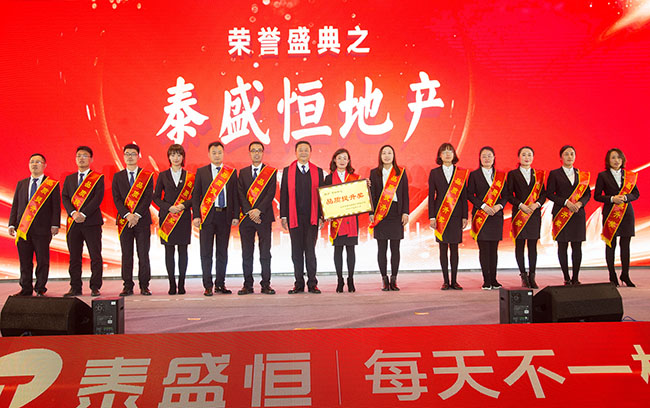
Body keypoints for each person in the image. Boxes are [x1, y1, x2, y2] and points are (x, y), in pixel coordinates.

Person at [8, 153, 60, 296]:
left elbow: (56, 206)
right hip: (23, 229)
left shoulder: (51, 185)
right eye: (32, 162)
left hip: (42, 229)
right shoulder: (22, 183)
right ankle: (26, 288)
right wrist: (12, 224)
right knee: (25, 261)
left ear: (44, 165)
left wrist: (55, 224)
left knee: (42, 260)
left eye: (38, 162)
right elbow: (16, 205)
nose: (34, 164)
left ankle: (40, 288)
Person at [192, 141, 239, 296]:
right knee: (206, 252)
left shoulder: (230, 172)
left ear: (223, 154)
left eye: (219, 152)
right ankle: (207, 285)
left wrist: (235, 215)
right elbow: (196, 196)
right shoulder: (202, 172)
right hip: (207, 216)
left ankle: (220, 284)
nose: (217, 155)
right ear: (209, 154)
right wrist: (196, 215)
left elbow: (235, 195)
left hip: (224, 216)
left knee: (222, 252)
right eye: (214, 153)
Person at [280, 141, 325, 294]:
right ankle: (298, 283)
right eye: (301, 150)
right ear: (296, 152)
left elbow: (322, 195)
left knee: (310, 251)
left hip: (312, 217)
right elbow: (283, 194)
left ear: (310, 152)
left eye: (306, 150)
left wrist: (321, 215)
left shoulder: (318, 171)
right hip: (294, 217)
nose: (303, 152)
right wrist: (284, 216)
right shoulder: (288, 171)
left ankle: (312, 283)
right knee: (296, 252)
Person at [61, 146, 105, 297]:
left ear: (91, 159)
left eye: (85, 156)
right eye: (78, 156)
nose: (81, 158)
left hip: (92, 222)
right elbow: (65, 197)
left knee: (95, 255)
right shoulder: (69, 179)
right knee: (74, 256)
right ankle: (75, 287)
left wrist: (84, 213)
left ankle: (95, 286)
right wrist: (73, 213)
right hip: (74, 223)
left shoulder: (97, 178)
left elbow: (97, 198)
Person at [112, 143, 154, 296]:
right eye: (127, 154)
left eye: (133, 154)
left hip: (142, 221)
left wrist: (136, 215)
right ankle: (127, 285)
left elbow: (148, 197)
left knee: (143, 254)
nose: (130, 157)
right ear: (123, 156)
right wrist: (127, 215)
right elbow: (116, 198)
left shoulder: (146, 176)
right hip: (124, 222)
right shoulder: (118, 176)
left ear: (138, 156)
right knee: (126, 254)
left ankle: (144, 285)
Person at [594, 148, 639, 287]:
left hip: (626, 214)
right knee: (610, 245)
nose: (616, 160)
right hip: (610, 214)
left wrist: (626, 197)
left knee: (625, 245)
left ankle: (625, 275)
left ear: (622, 160)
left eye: (619, 158)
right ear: (608, 160)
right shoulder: (603, 175)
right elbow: (597, 196)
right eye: (613, 157)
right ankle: (612, 275)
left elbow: (635, 194)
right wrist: (612, 199)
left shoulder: (629, 175)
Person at [547, 145, 591, 285]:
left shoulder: (582, 175)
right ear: (561, 157)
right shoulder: (555, 174)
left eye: (572, 154)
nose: (569, 157)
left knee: (577, 246)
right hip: (561, 214)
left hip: (577, 214)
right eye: (566, 154)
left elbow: (587, 194)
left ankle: (575, 277)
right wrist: (566, 202)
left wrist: (580, 203)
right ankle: (566, 277)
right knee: (562, 246)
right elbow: (550, 194)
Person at [237, 141, 277, 295]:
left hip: (264, 217)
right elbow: (240, 194)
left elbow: (270, 194)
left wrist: (258, 210)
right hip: (246, 218)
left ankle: (266, 284)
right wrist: (250, 211)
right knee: (247, 252)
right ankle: (247, 285)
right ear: (249, 153)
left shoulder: (270, 172)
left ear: (263, 153)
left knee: (265, 253)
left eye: (259, 150)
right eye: (253, 150)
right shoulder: (243, 172)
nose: (256, 153)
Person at [153, 144, 193, 295]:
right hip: (167, 218)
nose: (176, 158)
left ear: (183, 157)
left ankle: (181, 284)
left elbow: (195, 197)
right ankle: (171, 284)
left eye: (179, 155)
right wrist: (168, 207)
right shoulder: (163, 175)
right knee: (169, 252)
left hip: (183, 218)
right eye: (173, 155)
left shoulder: (190, 176)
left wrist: (183, 205)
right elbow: (156, 197)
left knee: (183, 251)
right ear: (168, 157)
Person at [369, 145, 409, 291]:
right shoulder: (374, 173)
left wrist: (405, 212)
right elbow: (372, 194)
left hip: (396, 213)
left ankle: (394, 279)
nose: (386, 156)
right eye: (384, 153)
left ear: (394, 155)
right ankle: (384, 279)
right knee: (381, 248)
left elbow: (405, 193)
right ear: (380, 156)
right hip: (380, 214)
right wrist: (371, 213)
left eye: (389, 153)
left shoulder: (400, 172)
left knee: (395, 248)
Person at [429, 143, 468, 290]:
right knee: (443, 248)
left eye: (450, 151)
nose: (447, 154)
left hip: (456, 215)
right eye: (444, 152)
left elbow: (463, 197)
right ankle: (445, 280)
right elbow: (431, 196)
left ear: (454, 154)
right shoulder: (434, 173)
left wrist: (465, 216)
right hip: (441, 215)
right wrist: (432, 217)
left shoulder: (460, 173)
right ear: (439, 155)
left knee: (455, 249)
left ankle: (455, 281)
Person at [468, 146, 507, 290]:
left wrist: (499, 206)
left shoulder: (500, 176)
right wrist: (483, 206)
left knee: (493, 250)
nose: (487, 159)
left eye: (489, 156)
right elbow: (470, 194)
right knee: (484, 250)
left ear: (494, 158)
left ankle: (494, 279)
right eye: (484, 156)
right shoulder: (474, 175)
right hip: (481, 216)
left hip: (496, 216)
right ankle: (486, 280)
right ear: (479, 158)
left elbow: (506, 195)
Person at [506, 146, 546, 289]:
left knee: (532, 246)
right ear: (519, 157)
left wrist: (537, 204)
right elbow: (508, 194)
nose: (527, 157)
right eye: (524, 155)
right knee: (520, 245)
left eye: (529, 155)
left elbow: (543, 194)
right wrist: (520, 205)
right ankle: (523, 276)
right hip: (520, 214)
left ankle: (532, 276)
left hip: (534, 214)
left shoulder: (538, 175)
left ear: (533, 157)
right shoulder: (513, 174)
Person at [324, 148, 360, 293]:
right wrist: (326, 213)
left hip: (351, 220)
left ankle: (351, 279)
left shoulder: (355, 178)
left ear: (349, 161)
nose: (342, 161)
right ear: (334, 160)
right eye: (339, 158)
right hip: (336, 221)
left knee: (351, 250)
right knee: (338, 250)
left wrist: (366, 187)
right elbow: (324, 200)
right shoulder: (328, 179)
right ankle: (339, 280)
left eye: (345, 158)